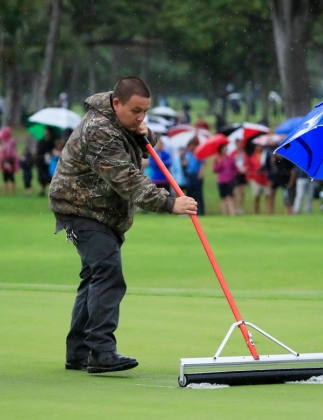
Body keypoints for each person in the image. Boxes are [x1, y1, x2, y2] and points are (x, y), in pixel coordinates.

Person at [48, 76, 198, 374]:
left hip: (100, 212)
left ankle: (78, 353)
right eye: (135, 111)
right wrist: (169, 204)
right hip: (81, 209)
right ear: (116, 103)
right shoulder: (99, 129)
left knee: (94, 276)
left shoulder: (120, 122)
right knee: (107, 271)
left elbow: (141, 149)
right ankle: (101, 352)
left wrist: (146, 134)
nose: (140, 117)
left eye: (145, 111)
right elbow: (126, 179)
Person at [245, 144, 271, 214]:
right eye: (257, 146)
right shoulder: (253, 157)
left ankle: (269, 212)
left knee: (268, 196)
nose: (259, 147)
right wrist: (249, 177)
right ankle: (256, 212)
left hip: (265, 179)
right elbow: (250, 168)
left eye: (260, 146)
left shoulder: (266, 155)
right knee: (257, 197)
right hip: (256, 179)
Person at [182, 139, 206, 215]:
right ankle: (191, 211)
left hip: (196, 175)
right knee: (190, 193)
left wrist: (201, 174)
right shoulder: (188, 154)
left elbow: (202, 164)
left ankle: (200, 211)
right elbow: (186, 163)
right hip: (189, 175)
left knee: (198, 194)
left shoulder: (199, 153)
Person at [213, 143, 237, 216]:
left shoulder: (230, 158)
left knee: (229, 197)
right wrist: (220, 162)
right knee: (223, 197)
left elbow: (234, 168)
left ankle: (232, 213)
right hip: (221, 180)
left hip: (230, 180)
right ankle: (224, 213)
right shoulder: (218, 159)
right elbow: (215, 169)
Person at [0, 126, 20, 195]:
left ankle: (12, 191)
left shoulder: (11, 141)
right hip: (4, 161)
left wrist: (9, 159)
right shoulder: (3, 140)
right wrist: (2, 159)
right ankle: (4, 191)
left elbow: (12, 151)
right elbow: (2, 151)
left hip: (10, 161)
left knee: (11, 176)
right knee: (5, 176)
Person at [35, 126, 56, 197]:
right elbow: (39, 151)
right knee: (42, 176)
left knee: (50, 176)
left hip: (51, 161)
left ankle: (51, 190)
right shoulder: (41, 141)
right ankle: (43, 189)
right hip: (42, 161)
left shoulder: (53, 141)